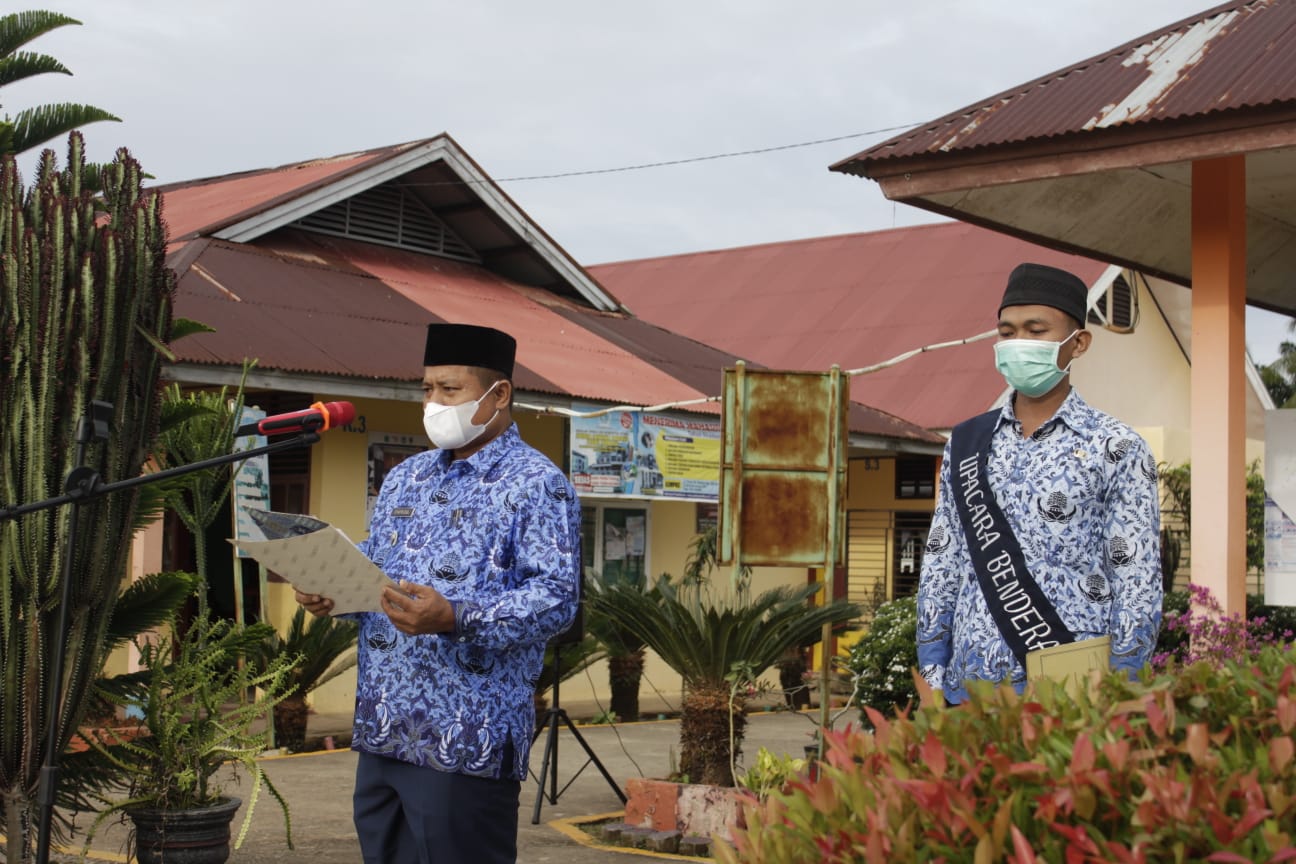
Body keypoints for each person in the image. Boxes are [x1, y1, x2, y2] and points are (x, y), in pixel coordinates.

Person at [296, 323, 581, 864]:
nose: (433, 403)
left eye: (450, 390)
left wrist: (456, 616)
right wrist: (334, 590)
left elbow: (556, 599)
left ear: (499, 395)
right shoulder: (407, 478)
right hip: (383, 726)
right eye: (427, 390)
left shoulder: (537, 483)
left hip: (464, 738)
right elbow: (378, 569)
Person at [917, 263, 1162, 705]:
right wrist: (932, 676)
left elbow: (1137, 580)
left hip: (1073, 687)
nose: (1018, 344)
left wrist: (1123, 688)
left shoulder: (1118, 447)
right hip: (970, 685)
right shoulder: (966, 441)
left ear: (1079, 343)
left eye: (1036, 330)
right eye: (1007, 332)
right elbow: (941, 562)